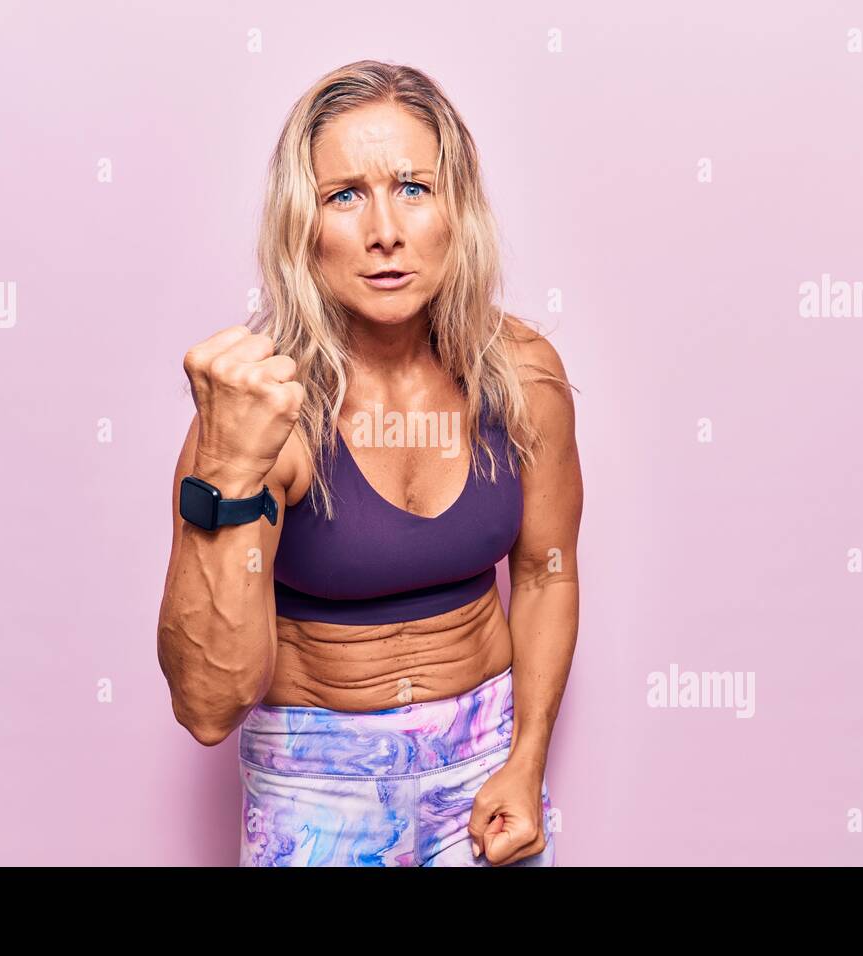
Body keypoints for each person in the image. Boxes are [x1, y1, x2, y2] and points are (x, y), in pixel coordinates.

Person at [158, 60, 582, 867]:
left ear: (456, 209)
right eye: (344, 194)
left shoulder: (522, 374)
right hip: (317, 787)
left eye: (413, 188)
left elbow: (545, 575)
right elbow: (208, 708)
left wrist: (525, 761)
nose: (384, 229)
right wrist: (223, 470)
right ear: (301, 223)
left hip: (487, 763)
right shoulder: (264, 409)